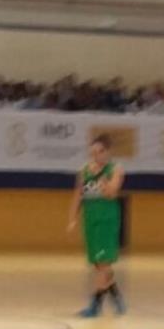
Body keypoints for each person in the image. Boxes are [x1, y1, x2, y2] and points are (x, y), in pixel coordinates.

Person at [67, 136, 126, 318]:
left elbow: (112, 193)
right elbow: (78, 195)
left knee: (104, 262)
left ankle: (95, 305)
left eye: (100, 151)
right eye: (93, 152)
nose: (96, 155)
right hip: (90, 219)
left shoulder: (116, 170)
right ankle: (116, 295)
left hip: (107, 219)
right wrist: (72, 218)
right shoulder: (84, 171)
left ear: (108, 152)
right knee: (98, 265)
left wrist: (104, 183)